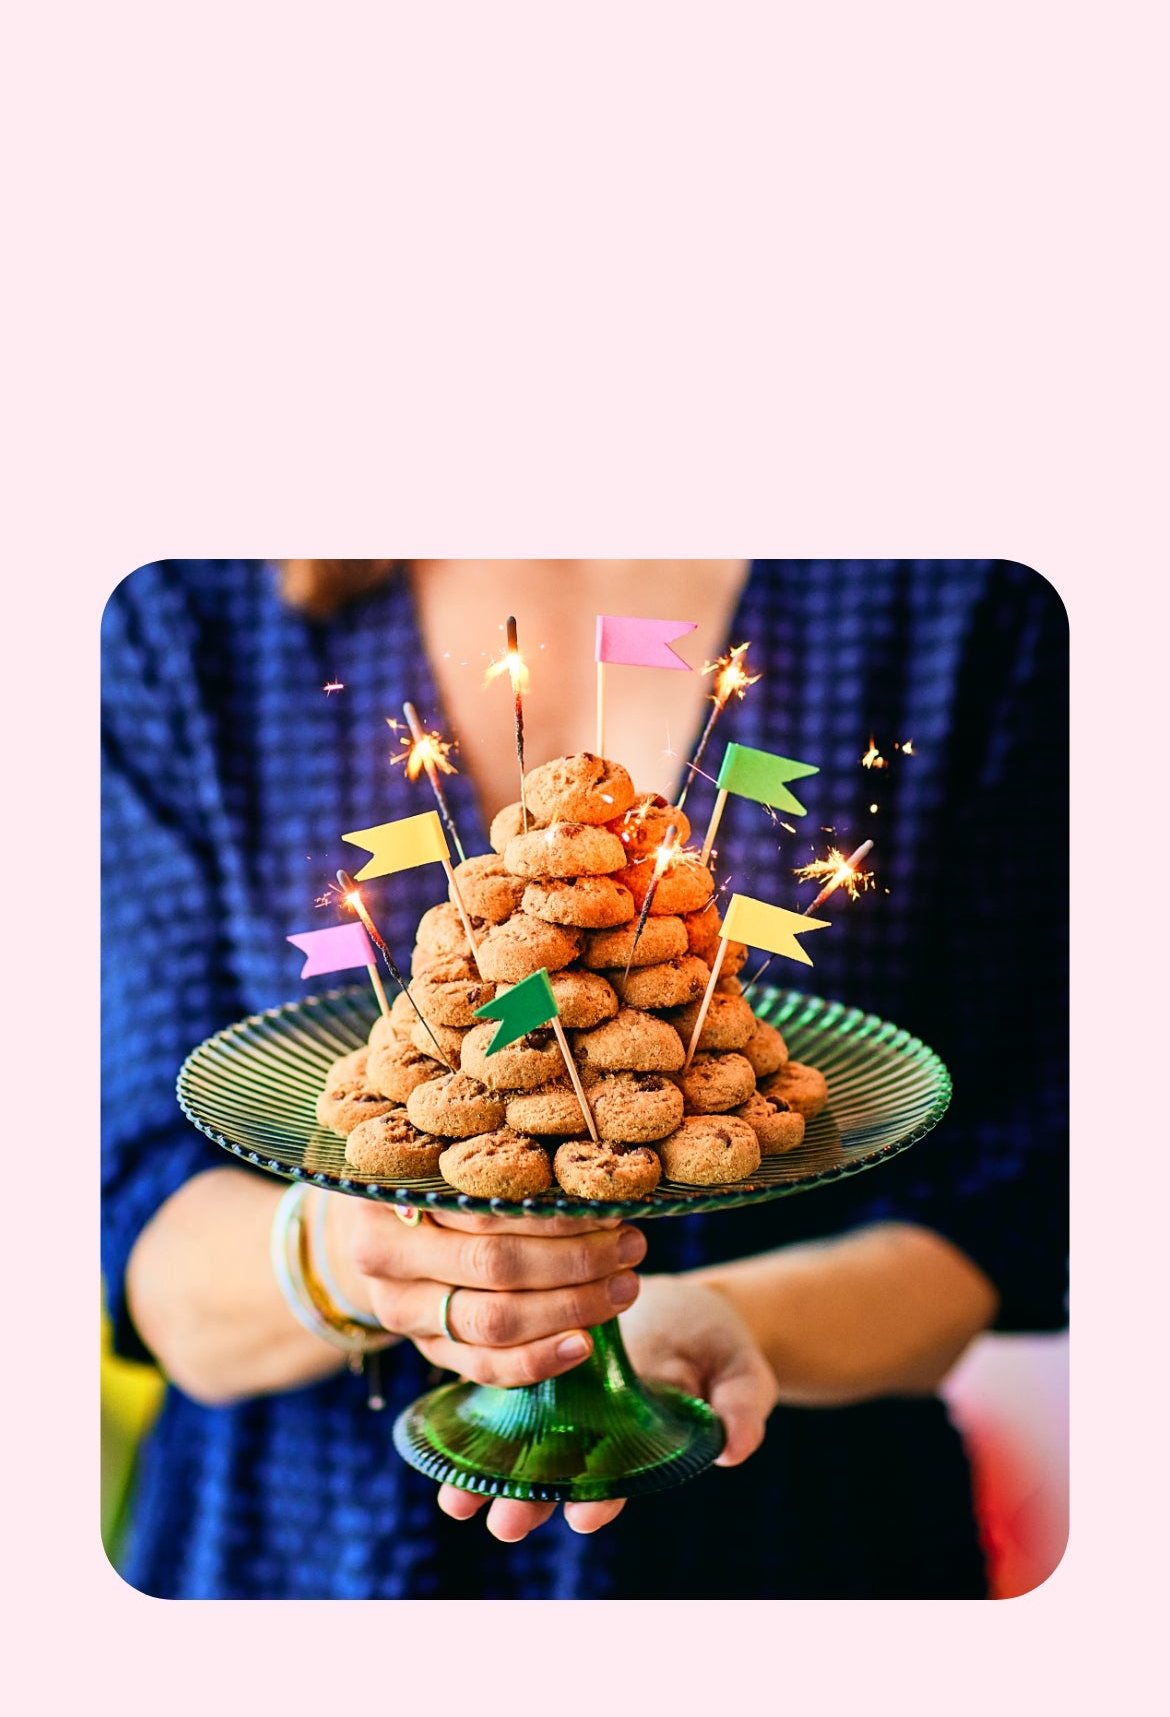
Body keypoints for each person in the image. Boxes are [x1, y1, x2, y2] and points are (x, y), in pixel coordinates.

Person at [102, 558, 1067, 1598]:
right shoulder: (186, 602)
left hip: (791, 1549)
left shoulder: (964, 592)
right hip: (296, 1556)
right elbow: (140, 1212)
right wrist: (344, 1260)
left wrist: (734, 1321)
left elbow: (1011, 1200)